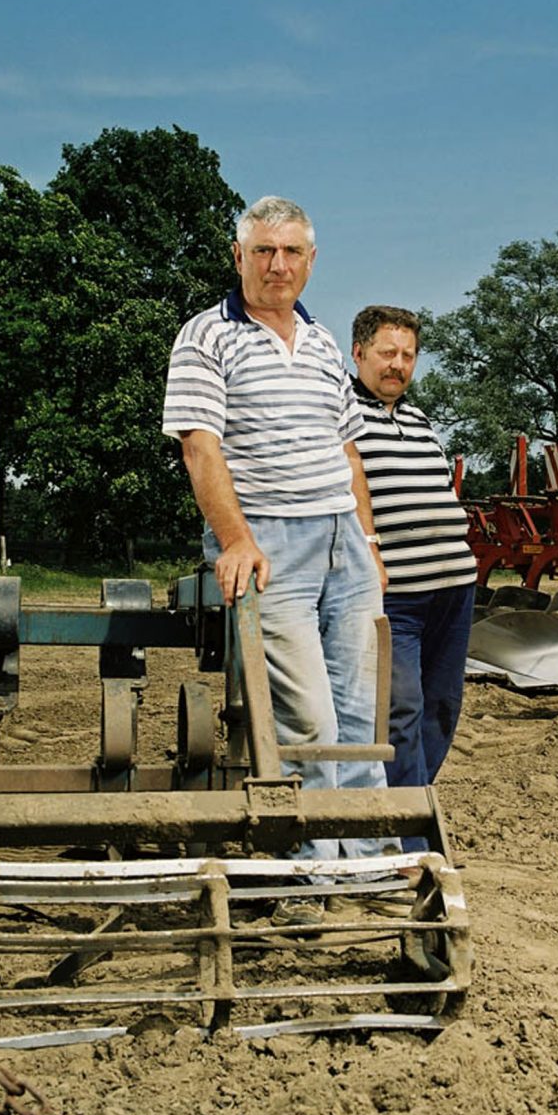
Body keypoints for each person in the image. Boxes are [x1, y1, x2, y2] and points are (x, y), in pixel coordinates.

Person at [162, 196, 393, 926]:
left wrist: (370, 541)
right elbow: (200, 445)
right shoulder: (206, 336)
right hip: (268, 543)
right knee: (306, 715)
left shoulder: (324, 342)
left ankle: (365, 855)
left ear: (311, 260)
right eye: (264, 251)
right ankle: (306, 865)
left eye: (291, 251)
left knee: (359, 713)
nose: (278, 264)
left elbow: (348, 451)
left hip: (342, 546)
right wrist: (234, 540)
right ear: (239, 256)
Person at [350, 305, 477, 853]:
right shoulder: (343, 415)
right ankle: (410, 843)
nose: (397, 365)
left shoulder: (420, 419)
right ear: (358, 353)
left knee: (443, 705)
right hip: (396, 592)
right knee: (401, 709)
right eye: (387, 353)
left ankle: (406, 812)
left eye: (407, 355)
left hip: (454, 586)